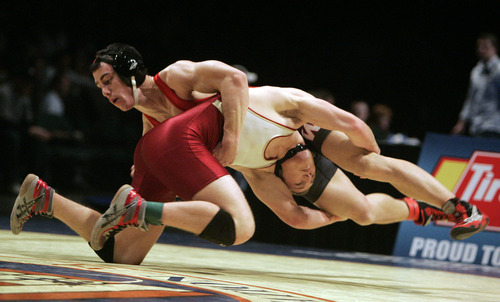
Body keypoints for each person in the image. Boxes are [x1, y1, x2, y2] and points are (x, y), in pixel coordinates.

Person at [11, 43, 488, 265]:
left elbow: (239, 81)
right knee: (356, 210)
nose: (105, 94)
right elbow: (297, 217)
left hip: (281, 130)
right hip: (243, 153)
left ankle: (450, 204)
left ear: (131, 72)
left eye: (108, 82)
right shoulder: (157, 124)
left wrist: (235, 139)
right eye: (98, 88)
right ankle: (421, 210)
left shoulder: (180, 77)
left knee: (367, 174)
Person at [452, 32, 500, 138]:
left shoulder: (498, 70)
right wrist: (462, 122)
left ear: (495, 49)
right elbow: (470, 99)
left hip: (494, 126)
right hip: (476, 126)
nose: (481, 50)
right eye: (479, 46)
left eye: (486, 47)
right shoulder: (476, 71)